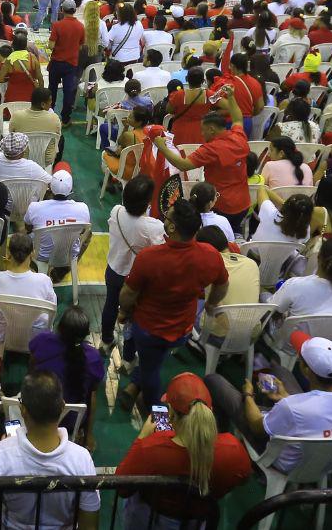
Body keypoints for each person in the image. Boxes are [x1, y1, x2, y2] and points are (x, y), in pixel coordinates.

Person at [117, 199, 229, 413]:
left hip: (150, 330)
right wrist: (211, 304)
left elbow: (128, 294)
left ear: (171, 227)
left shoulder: (149, 258)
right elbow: (223, 285)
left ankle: (155, 414)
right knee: (156, 360)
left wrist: (123, 311)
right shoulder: (210, 255)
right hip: (182, 330)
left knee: (152, 374)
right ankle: (133, 387)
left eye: (166, 216)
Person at [205, 332, 332, 471]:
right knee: (281, 371)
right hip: (323, 463)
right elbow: (314, 412)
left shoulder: (292, 407)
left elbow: (256, 426)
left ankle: (219, 447)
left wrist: (248, 395)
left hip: (279, 459)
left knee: (214, 381)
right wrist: (285, 397)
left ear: (306, 370)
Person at [115, 373, 252, 528]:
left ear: (171, 414)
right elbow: (243, 478)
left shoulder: (151, 448)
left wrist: (142, 437)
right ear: (210, 410)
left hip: (151, 519)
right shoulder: (232, 449)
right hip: (197, 521)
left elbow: (122, 487)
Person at [0, 369, 100, 530]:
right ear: (62, 407)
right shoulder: (82, 459)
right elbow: (89, 525)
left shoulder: (1, 454)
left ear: (23, 410)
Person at [154, 86, 250, 234]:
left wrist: (163, 148)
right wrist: (231, 97)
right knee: (233, 231)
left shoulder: (211, 150)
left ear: (211, 129)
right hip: (244, 203)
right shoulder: (238, 135)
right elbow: (237, 118)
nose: (201, 133)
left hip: (221, 205)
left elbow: (182, 165)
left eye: (203, 129)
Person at [102, 176, 164, 355]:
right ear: (147, 202)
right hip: (136, 279)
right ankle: (129, 355)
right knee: (133, 315)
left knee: (110, 304)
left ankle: (106, 340)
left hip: (114, 269)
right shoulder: (154, 227)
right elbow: (157, 252)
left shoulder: (116, 211)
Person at [28, 306, 104, 445]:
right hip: (72, 421)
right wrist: (89, 435)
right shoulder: (93, 357)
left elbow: (31, 370)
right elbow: (92, 396)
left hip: (39, 412)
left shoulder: (43, 341)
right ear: (86, 333)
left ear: (60, 328)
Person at [0, 231, 57, 342]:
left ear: (8, 253)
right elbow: (52, 308)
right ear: (32, 253)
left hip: (4, 335)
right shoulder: (44, 281)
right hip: (35, 338)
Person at [269, 236, 332, 320]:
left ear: (318, 258)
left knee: (264, 296)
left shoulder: (296, 285)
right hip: (331, 339)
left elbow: (274, 309)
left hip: (291, 338)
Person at [24, 169, 91, 270]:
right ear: (71, 189)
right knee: (88, 235)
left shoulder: (35, 208)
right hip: (68, 256)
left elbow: (28, 227)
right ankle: (63, 270)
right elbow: (81, 232)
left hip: (41, 256)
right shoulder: (83, 209)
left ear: (50, 187)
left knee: (26, 234)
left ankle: (36, 266)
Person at [47, 0, 86, 125]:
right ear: (74, 10)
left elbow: (51, 46)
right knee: (68, 91)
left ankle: (49, 115)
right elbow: (80, 46)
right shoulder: (80, 26)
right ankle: (65, 119)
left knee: (52, 89)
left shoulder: (57, 25)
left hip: (57, 62)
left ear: (62, 10)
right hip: (71, 64)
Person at [8, 88, 63, 164]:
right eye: (50, 100)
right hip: (46, 161)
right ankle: (55, 166)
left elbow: (11, 134)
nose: (51, 103)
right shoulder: (54, 118)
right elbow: (58, 137)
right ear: (43, 104)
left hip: (22, 158)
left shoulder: (16, 116)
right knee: (61, 139)